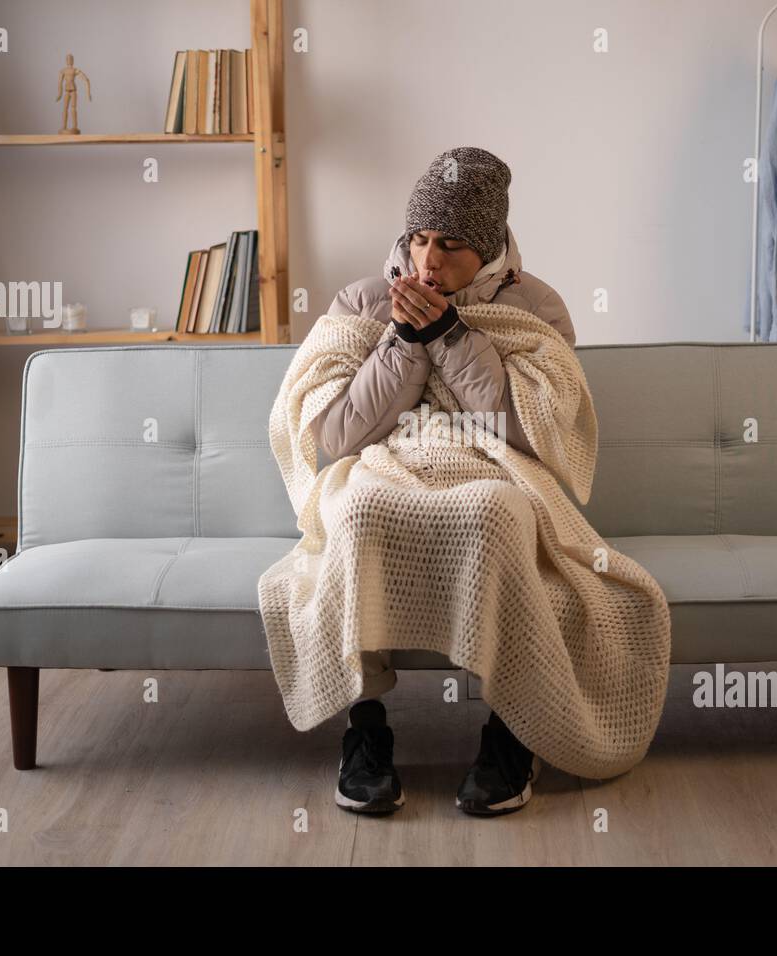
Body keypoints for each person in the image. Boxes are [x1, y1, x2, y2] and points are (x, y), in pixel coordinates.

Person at [311, 146, 575, 815]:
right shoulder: (361, 302)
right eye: (419, 240)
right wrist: (401, 342)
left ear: (486, 250)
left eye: (451, 246)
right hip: (387, 466)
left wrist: (455, 338)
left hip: (493, 470)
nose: (427, 262)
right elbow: (335, 437)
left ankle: (512, 731)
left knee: (496, 512)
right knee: (358, 511)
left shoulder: (537, 306)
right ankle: (364, 730)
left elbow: (537, 432)